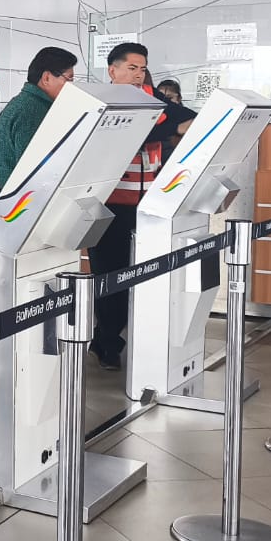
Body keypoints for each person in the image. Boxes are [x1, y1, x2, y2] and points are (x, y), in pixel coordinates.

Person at [86, 43, 196, 370]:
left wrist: (170, 127)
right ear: (113, 70)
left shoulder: (152, 99)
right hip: (109, 204)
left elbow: (188, 119)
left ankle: (113, 339)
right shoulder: (102, 102)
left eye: (143, 68)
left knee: (140, 277)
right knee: (110, 276)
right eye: (131, 68)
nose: (138, 74)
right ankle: (107, 343)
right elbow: (132, 134)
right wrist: (169, 129)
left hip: (147, 205)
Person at [0, 47, 79, 185]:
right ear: (46, 78)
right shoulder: (31, 110)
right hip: (26, 196)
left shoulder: (29, 102)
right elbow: (33, 172)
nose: (71, 85)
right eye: (69, 79)